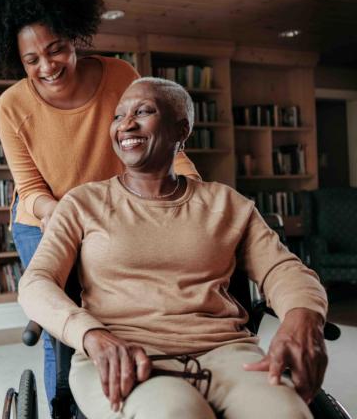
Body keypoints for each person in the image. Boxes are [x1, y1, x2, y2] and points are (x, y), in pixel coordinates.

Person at [17, 77, 329, 419]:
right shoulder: (83, 203)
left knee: (287, 412)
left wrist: (302, 317)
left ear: (181, 130)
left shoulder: (227, 204)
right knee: (177, 413)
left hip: (226, 354)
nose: (126, 124)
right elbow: (36, 283)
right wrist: (92, 335)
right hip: (123, 356)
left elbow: (284, 270)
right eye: (118, 116)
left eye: (143, 111)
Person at [0, 0, 202, 405]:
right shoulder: (11, 106)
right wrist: (73, 218)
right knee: (61, 321)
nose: (47, 66)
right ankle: (67, 407)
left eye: (55, 49)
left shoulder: (120, 76)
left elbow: (160, 142)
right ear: (17, 61)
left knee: (124, 308)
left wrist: (193, 188)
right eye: (31, 60)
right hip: (43, 219)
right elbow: (32, 189)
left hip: (116, 211)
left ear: (73, 35)